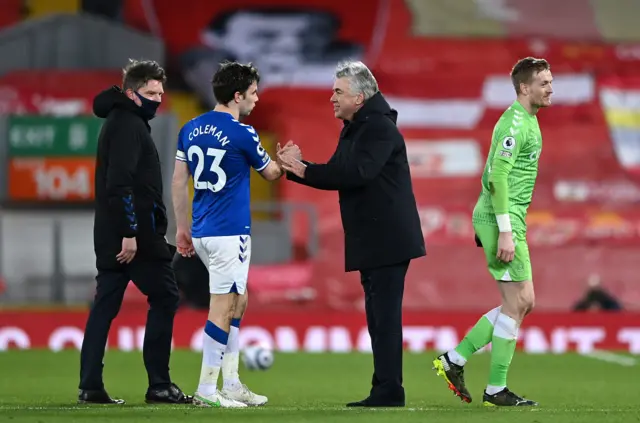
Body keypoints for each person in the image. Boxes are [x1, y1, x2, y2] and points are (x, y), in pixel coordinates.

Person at [277, 60, 426, 408]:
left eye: (338, 92)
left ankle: (390, 389)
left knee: (384, 317)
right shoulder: (360, 126)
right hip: (375, 237)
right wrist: (301, 170)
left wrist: (301, 170)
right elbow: (339, 171)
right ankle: (385, 387)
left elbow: (357, 173)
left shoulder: (377, 129)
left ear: (359, 97)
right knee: (378, 317)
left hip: (387, 239)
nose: (331, 98)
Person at [432, 57, 553, 407]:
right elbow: (496, 177)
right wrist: (504, 231)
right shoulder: (516, 124)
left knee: (523, 301)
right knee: (517, 303)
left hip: (508, 217)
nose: (550, 88)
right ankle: (495, 388)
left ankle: (454, 360)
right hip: (501, 218)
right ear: (524, 88)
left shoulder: (527, 120)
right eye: (543, 82)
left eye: (550, 82)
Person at [172, 61, 283, 408]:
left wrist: (182, 228)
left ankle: (232, 382)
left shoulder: (190, 128)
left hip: (204, 231)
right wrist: (286, 162)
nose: (256, 98)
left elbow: (178, 180)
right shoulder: (243, 132)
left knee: (239, 298)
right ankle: (208, 390)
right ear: (237, 96)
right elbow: (270, 173)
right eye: (252, 93)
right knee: (222, 307)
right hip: (229, 232)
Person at [79, 60, 191, 405]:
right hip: (135, 237)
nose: (157, 99)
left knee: (105, 306)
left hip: (112, 233)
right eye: (149, 92)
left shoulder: (121, 119)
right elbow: (121, 184)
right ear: (131, 92)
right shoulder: (130, 124)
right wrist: (130, 233)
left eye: (160, 93)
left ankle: (90, 385)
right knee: (166, 296)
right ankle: (159, 383)